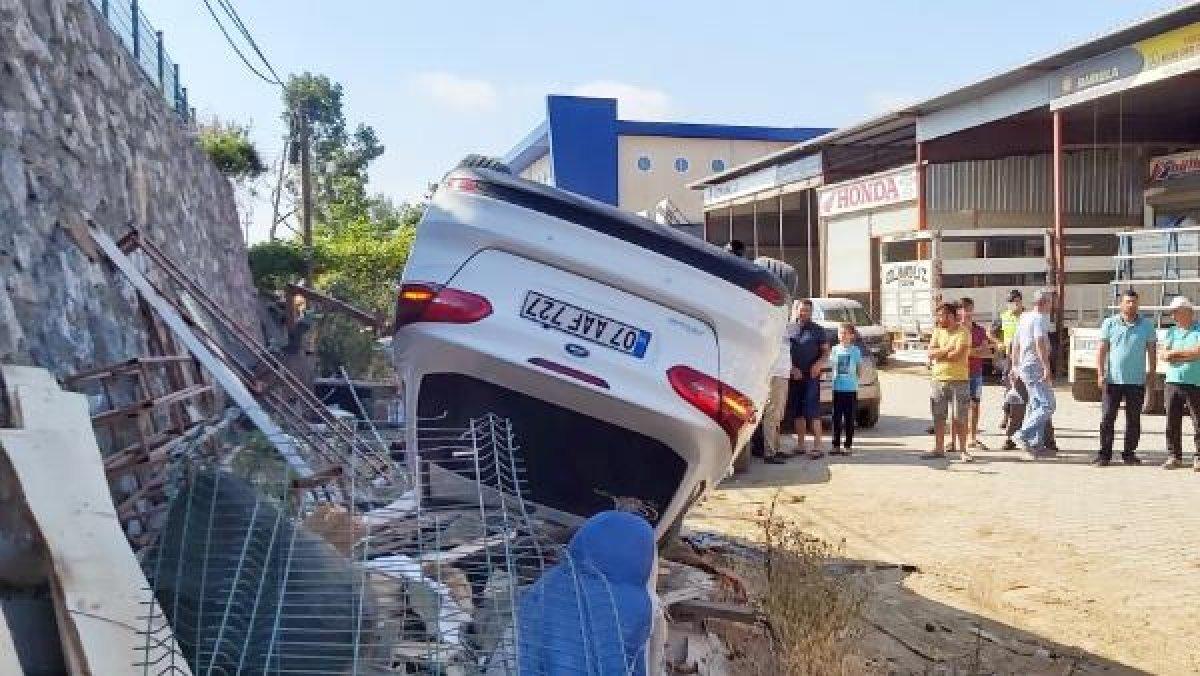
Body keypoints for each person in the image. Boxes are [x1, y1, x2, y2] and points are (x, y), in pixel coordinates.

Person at [1093, 289, 1157, 467]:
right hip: (1113, 380)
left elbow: (1152, 352)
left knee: (1133, 420)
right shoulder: (1110, 323)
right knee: (1107, 418)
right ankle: (1104, 454)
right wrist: (1100, 373)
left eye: (1134, 302)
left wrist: (1151, 375)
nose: (1131, 305)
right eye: (1128, 301)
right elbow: (1101, 350)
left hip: (1136, 381)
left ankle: (1129, 454)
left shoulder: (1146, 325)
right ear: (1121, 304)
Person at [922, 302, 972, 462]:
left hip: (959, 380)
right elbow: (930, 353)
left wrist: (940, 353)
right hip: (938, 380)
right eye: (938, 315)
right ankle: (938, 449)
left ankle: (963, 451)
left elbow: (956, 356)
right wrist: (945, 350)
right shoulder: (937, 331)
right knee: (938, 416)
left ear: (950, 316)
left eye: (941, 315)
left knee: (960, 417)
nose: (938, 318)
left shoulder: (963, 332)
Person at [1010, 289, 1056, 461]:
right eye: (1050, 302)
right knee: (1048, 405)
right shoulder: (1039, 318)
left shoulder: (1024, 317)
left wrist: (1015, 365)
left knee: (1036, 404)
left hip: (1025, 366)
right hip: (1035, 366)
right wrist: (1046, 367)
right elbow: (1039, 342)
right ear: (1044, 303)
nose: (1051, 305)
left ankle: (1036, 443)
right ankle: (1023, 434)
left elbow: (1015, 342)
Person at [1160, 296, 1200, 471]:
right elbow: (1163, 355)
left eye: (1177, 312)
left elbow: (1197, 353)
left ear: (1188, 312)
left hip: (1195, 382)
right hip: (1173, 382)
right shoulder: (1171, 332)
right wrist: (1183, 354)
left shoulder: (1198, 330)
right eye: (1173, 313)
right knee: (1172, 421)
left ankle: (1198, 457)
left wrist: (1175, 354)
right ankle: (1174, 456)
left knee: (1198, 421)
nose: (1174, 316)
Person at [787, 299, 831, 459]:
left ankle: (818, 446)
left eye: (807, 310)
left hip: (812, 376)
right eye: (801, 309)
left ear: (811, 312)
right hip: (795, 376)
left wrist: (819, 364)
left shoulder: (818, 330)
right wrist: (792, 368)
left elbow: (826, 351)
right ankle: (800, 445)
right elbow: (783, 351)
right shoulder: (789, 329)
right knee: (797, 411)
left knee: (813, 411)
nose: (804, 312)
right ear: (796, 310)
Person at [760, 311, 795, 465]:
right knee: (772, 413)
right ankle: (769, 452)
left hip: (784, 374)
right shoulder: (770, 328)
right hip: (775, 374)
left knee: (778, 414)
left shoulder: (785, 328)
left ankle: (776, 448)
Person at [960, 298, 992, 452]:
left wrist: (970, 351)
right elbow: (957, 352)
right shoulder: (956, 330)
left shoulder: (979, 330)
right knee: (960, 407)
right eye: (963, 309)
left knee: (975, 405)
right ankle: (959, 440)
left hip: (976, 373)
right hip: (959, 373)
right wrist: (975, 350)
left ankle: (972, 438)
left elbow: (986, 352)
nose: (966, 312)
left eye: (969, 309)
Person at [829, 322, 864, 456]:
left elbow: (859, 368)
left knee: (849, 418)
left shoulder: (855, 350)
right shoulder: (835, 349)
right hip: (837, 388)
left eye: (845, 333)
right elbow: (833, 366)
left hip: (850, 389)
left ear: (851, 335)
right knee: (836, 417)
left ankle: (848, 445)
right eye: (840, 333)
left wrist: (855, 380)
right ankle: (835, 445)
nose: (842, 335)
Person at [995, 289, 1025, 431]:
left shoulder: (1027, 316)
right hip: (1009, 358)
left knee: (1025, 389)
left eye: (1016, 301)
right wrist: (998, 342)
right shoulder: (1003, 316)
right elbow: (991, 332)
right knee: (1009, 388)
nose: (1014, 304)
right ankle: (1006, 415)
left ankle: (1022, 419)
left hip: (1025, 358)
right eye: (1011, 302)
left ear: (1020, 302)